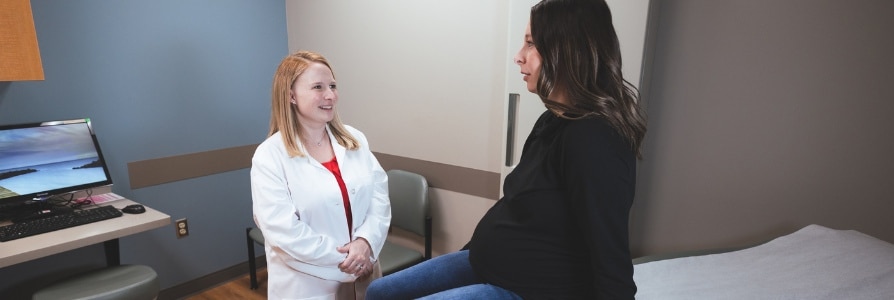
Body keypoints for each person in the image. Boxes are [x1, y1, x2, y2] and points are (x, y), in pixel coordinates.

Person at [366, 0, 646, 298]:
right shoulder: (552, 120)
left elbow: (610, 252)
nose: (518, 56)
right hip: (485, 261)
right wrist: (478, 248)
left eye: (531, 44)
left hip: (528, 289)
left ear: (567, 50)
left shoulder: (595, 139)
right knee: (379, 292)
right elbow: (516, 204)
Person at [251, 50, 391, 300]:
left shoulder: (355, 139)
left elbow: (379, 197)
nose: (330, 95)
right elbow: (283, 231)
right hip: (309, 284)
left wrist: (365, 243)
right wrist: (348, 258)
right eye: (318, 87)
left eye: (332, 86)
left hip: (364, 272)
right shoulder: (269, 155)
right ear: (291, 95)